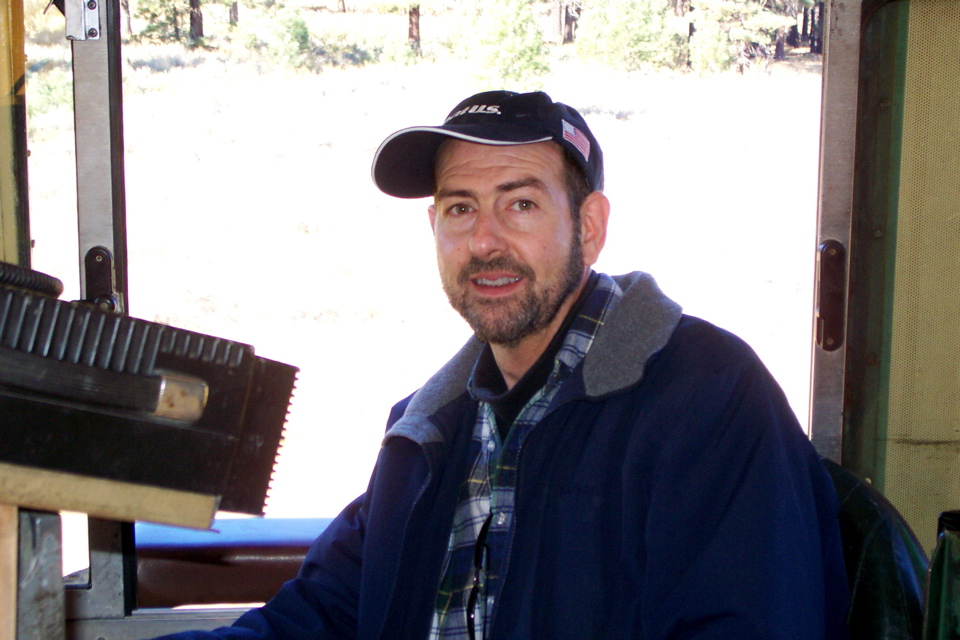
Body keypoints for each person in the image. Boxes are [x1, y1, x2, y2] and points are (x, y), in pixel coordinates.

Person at [153, 90, 850, 639]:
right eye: (461, 208)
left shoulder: (708, 400)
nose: (485, 241)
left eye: (519, 204)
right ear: (435, 230)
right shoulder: (426, 433)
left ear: (590, 226)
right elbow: (321, 618)